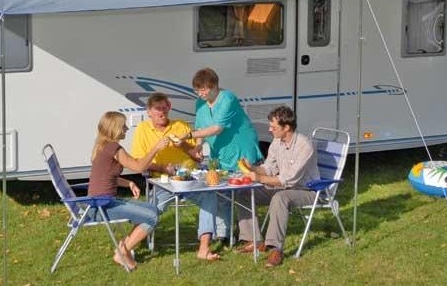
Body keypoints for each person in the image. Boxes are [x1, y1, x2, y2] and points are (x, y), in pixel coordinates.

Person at [131, 92, 222, 261]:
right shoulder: (143, 129)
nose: (162, 112)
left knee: (209, 195)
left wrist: (183, 145)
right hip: (163, 181)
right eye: (157, 109)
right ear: (149, 111)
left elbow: (198, 157)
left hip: (190, 178)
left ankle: (204, 248)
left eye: (164, 108)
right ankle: (128, 245)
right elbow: (138, 162)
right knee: (151, 210)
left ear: (169, 108)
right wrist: (162, 168)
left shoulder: (180, 125)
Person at [179, 68, 264, 240]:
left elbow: (217, 128)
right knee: (221, 191)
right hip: (220, 152)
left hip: (241, 149)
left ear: (214, 85)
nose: (200, 94)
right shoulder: (200, 103)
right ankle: (224, 233)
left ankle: (249, 236)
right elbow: (201, 126)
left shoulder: (228, 98)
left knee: (242, 191)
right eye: (197, 90)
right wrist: (198, 146)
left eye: (203, 90)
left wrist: (189, 135)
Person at [234, 106, 320, 268]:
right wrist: (252, 168)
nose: (269, 129)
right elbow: (269, 168)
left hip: (307, 190)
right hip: (283, 187)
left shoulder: (304, 145)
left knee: (280, 198)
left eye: (273, 127)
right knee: (244, 192)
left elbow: (289, 179)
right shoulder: (277, 142)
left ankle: (275, 249)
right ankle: (253, 240)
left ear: (286, 127)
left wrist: (260, 178)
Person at [88, 111, 170, 271]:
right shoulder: (114, 148)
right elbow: (139, 167)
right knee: (152, 217)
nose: (126, 128)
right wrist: (156, 148)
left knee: (152, 209)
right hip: (102, 206)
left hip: (99, 202)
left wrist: (129, 183)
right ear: (114, 128)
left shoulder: (102, 146)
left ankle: (123, 247)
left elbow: (106, 176)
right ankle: (123, 252)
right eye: (123, 126)